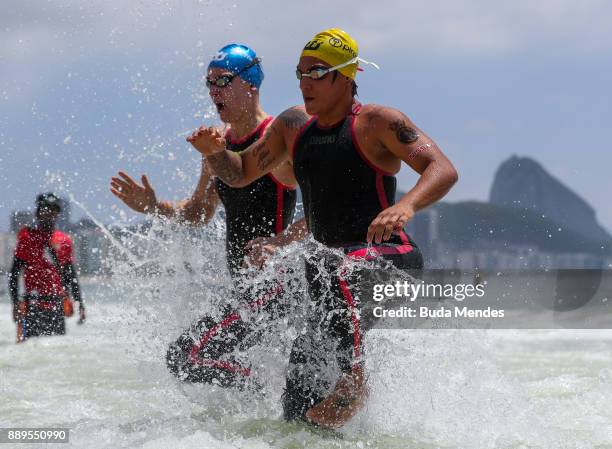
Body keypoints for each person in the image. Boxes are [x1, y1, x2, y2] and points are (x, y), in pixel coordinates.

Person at [186, 29, 459, 428]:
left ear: (346, 76)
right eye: (299, 74)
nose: (304, 83)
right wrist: (214, 153)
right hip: (331, 286)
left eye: (316, 72)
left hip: (390, 261)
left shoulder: (378, 122)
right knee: (299, 418)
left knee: (333, 263)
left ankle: (355, 380)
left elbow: (443, 169)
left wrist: (406, 205)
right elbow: (241, 172)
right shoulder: (293, 128)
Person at [110, 44, 307, 388]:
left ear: (251, 83)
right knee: (201, 360)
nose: (214, 91)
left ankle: (264, 392)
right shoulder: (217, 147)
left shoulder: (277, 139)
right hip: (244, 289)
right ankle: (264, 408)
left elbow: (323, 210)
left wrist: (279, 243)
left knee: (185, 357)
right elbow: (199, 212)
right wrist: (154, 206)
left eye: (223, 81)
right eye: (209, 83)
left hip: (272, 287)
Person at [9, 193, 85, 341]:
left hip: (56, 305)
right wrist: (15, 303)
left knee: (55, 354)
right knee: (28, 353)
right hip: (31, 306)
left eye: (53, 211)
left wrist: (80, 303)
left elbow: (71, 275)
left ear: (57, 214)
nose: (49, 214)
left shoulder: (64, 241)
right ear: (38, 213)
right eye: (45, 210)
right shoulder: (27, 237)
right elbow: (14, 273)